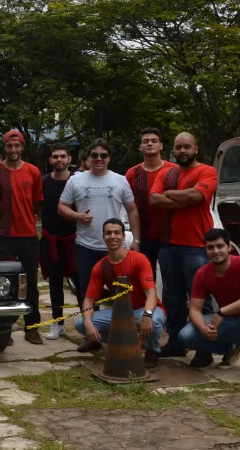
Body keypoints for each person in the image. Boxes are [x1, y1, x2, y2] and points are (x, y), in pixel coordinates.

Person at [150, 132, 218, 357]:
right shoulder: (166, 173)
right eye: (178, 147)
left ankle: (204, 349)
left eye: (187, 146)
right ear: (173, 149)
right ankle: (175, 343)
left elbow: (195, 196)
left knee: (200, 298)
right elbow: (154, 199)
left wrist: (170, 194)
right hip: (168, 245)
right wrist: (184, 198)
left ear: (196, 149)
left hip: (197, 246)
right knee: (172, 298)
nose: (182, 151)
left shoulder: (207, 171)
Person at [179, 229, 240, 384]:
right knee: (186, 335)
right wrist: (204, 329)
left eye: (220, 246)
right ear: (205, 250)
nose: (215, 251)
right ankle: (230, 349)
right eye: (210, 247)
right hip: (228, 322)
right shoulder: (202, 273)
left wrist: (222, 312)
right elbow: (195, 309)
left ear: (229, 247)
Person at [58, 139, 142, 312]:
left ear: (109, 158)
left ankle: (120, 325)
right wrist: (78, 216)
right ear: (88, 157)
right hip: (85, 245)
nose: (99, 159)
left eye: (103, 155)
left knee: (121, 290)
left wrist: (136, 240)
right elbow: (61, 207)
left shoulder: (120, 180)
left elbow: (132, 210)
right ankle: (89, 326)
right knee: (87, 291)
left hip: (114, 245)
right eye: (94, 155)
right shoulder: (75, 180)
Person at [75, 219, 166, 367]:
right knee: (81, 324)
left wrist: (147, 314)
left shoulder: (139, 259)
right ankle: (115, 343)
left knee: (154, 321)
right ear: (103, 237)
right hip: (120, 312)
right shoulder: (100, 266)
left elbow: (151, 293)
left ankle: (152, 351)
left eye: (117, 233)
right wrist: (88, 323)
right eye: (108, 233)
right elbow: (89, 300)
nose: (112, 236)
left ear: (123, 236)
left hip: (143, 309)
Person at [0, 129, 44, 344]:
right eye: (9, 146)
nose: (13, 149)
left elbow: (36, 203)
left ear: (22, 147)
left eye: (17, 146)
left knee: (31, 286)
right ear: (4, 147)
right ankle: (3, 330)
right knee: (2, 285)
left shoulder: (33, 171)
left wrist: (23, 216)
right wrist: (1, 218)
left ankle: (32, 328)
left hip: (29, 236)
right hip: (4, 236)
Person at [124, 128, 178, 272]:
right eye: (146, 141)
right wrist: (136, 239)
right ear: (140, 147)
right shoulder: (132, 174)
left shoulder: (175, 170)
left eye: (154, 141)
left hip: (171, 236)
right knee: (146, 277)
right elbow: (131, 209)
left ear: (161, 145)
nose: (150, 144)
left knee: (171, 277)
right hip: (145, 236)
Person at [40, 144, 78, 340]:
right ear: (50, 160)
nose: (59, 160)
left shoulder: (78, 180)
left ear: (69, 159)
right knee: (55, 284)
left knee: (81, 283)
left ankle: (90, 323)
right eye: (55, 156)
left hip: (75, 240)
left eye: (63, 156)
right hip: (51, 239)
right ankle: (58, 324)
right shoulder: (43, 182)